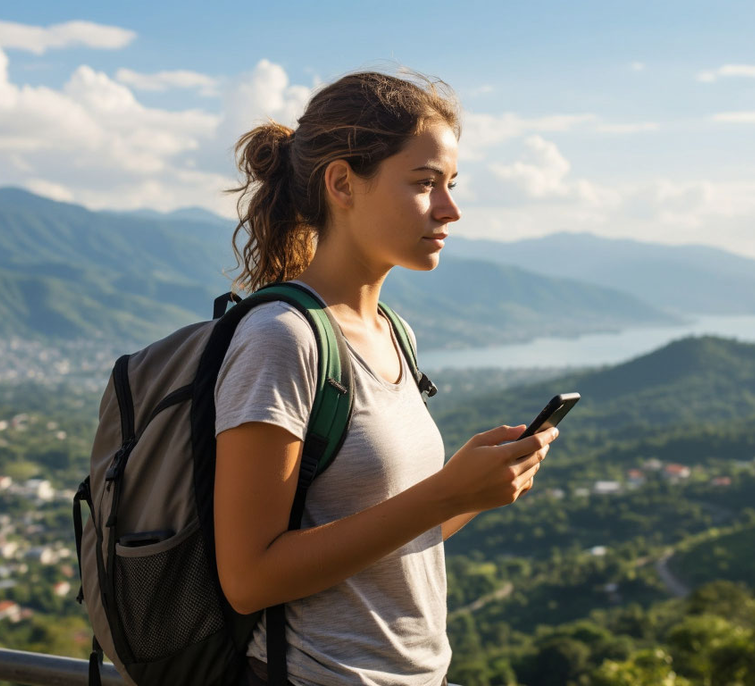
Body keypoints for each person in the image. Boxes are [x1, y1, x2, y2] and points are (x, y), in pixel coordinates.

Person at [215, 69, 557, 686]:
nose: (450, 210)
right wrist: (447, 493)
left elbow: (384, 536)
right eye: (425, 184)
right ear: (343, 183)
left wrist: (469, 491)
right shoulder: (282, 340)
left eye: (451, 184)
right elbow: (249, 579)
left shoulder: (393, 332)